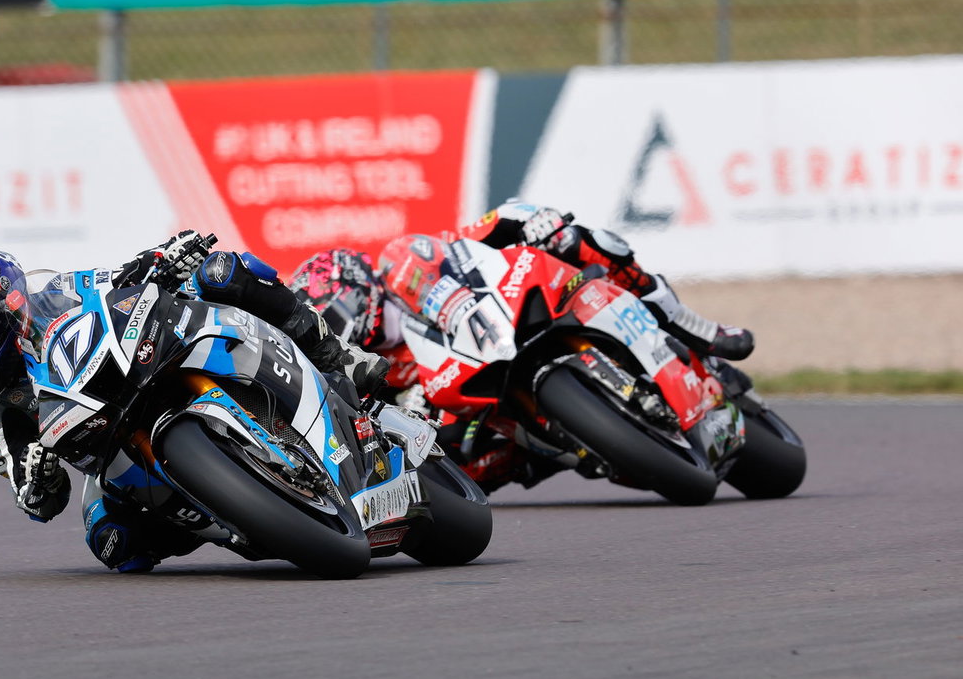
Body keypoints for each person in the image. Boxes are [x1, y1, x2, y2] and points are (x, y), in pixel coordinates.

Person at [0, 231, 388, 572]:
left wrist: (165, 256)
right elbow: (41, 501)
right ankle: (237, 512)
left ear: (11, 302)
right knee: (111, 543)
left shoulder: (59, 293)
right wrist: (36, 481)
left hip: (137, 371)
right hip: (106, 451)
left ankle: (339, 358)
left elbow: (123, 279)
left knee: (222, 272)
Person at [290, 200, 756, 490]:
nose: (337, 330)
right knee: (448, 464)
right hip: (481, 401)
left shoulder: (412, 264)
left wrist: (532, 221)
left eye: (334, 315)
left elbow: (488, 226)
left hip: (513, 313)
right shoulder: (373, 367)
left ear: (354, 285)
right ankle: (561, 450)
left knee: (581, 242)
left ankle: (691, 324)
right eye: (325, 325)